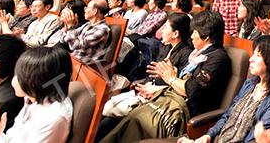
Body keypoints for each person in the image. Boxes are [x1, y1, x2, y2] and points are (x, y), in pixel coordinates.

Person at [99, 11, 232, 141]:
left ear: (206, 35)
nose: (191, 36)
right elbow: (180, 82)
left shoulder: (218, 58)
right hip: (167, 101)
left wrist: (171, 78)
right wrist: (164, 81)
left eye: (195, 32)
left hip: (181, 112)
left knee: (134, 122)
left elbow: (191, 90)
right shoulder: (197, 54)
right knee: (112, 123)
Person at [178, 35, 270, 143]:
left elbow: (255, 138)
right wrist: (208, 136)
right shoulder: (250, 84)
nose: (250, 59)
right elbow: (228, 115)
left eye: (257, 55)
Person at [0, 46, 74, 143]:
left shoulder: (53, 118)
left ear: (37, 80)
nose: (13, 80)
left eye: (18, 75)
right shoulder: (34, 99)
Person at [60, 0, 111, 67]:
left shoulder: (103, 29)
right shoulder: (87, 24)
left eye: (87, 8)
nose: (85, 11)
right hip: (73, 59)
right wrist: (67, 27)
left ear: (94, 11)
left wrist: (71, 27)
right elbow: (63, 40)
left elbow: (75, 46)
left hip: (83, 66)